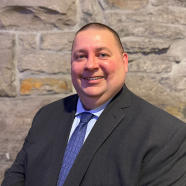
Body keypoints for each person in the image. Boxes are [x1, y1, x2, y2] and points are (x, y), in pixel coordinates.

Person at [2, 23, 186, 186]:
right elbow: (17, 177)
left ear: (124, 62)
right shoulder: (46, 116)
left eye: (102, 54)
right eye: (81, 56)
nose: (90, 65)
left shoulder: (167, 135)